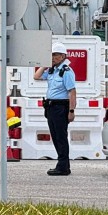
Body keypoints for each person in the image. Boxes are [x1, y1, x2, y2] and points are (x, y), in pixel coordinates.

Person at [33, 41, 76, 175]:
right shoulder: (52, 70)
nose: (53, 57)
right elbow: (36, 76)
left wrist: (71, 111)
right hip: (51, 107)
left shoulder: (66, 71)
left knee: (61, 137)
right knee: (55, 136)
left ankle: (62, 166)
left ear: (63, 56)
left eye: (56, 55)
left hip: (61, 107)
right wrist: (45, 65)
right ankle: (63, 165)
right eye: (51, 55)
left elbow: (72, 92)